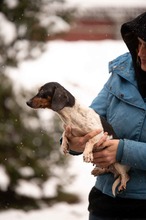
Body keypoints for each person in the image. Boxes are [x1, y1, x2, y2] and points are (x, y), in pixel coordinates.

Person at [63, 12, 146, 219]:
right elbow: (89, 119)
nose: (141, 53)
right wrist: (75, 142)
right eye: (140, 43)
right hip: (107, 204)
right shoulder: (122, 72)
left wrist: (123, 151)